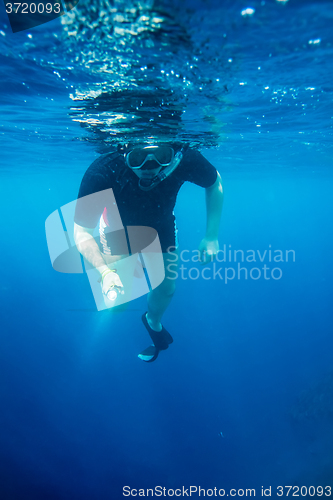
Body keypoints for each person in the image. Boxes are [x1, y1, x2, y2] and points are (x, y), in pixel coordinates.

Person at [74, 142, 223, 362]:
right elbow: (81, 231)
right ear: (124, 153)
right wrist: (105, 273)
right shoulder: (105, 169)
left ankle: (152, 321)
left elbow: (214, 182)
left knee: (167, 289)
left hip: (160, 227)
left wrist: (211, 235)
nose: (149, 165)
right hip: (118, 229)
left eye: (160, 156)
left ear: (172, 153)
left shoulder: (184, 159)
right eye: (138, 158)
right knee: (117, 304)